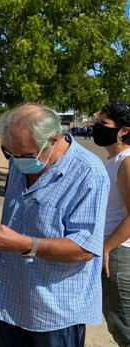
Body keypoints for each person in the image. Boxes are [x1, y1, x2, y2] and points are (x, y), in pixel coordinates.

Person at [0, 103, 109, 347]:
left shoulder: (89, 174)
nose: (16, 161)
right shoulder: (19, 160)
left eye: (24, 155)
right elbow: (16, 211)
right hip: (13, 300)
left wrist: (23, 244)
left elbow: (85, 249)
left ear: (54, 140)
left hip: (55, 312)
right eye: (10, 153)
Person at [94, 102, 130, 345]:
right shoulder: (113, 160)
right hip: (112, 250)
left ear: (123, 131)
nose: (97, 128)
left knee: (124, 325)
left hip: (119, 253)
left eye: (103, 124)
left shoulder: (126, 161)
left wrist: (106, 247)